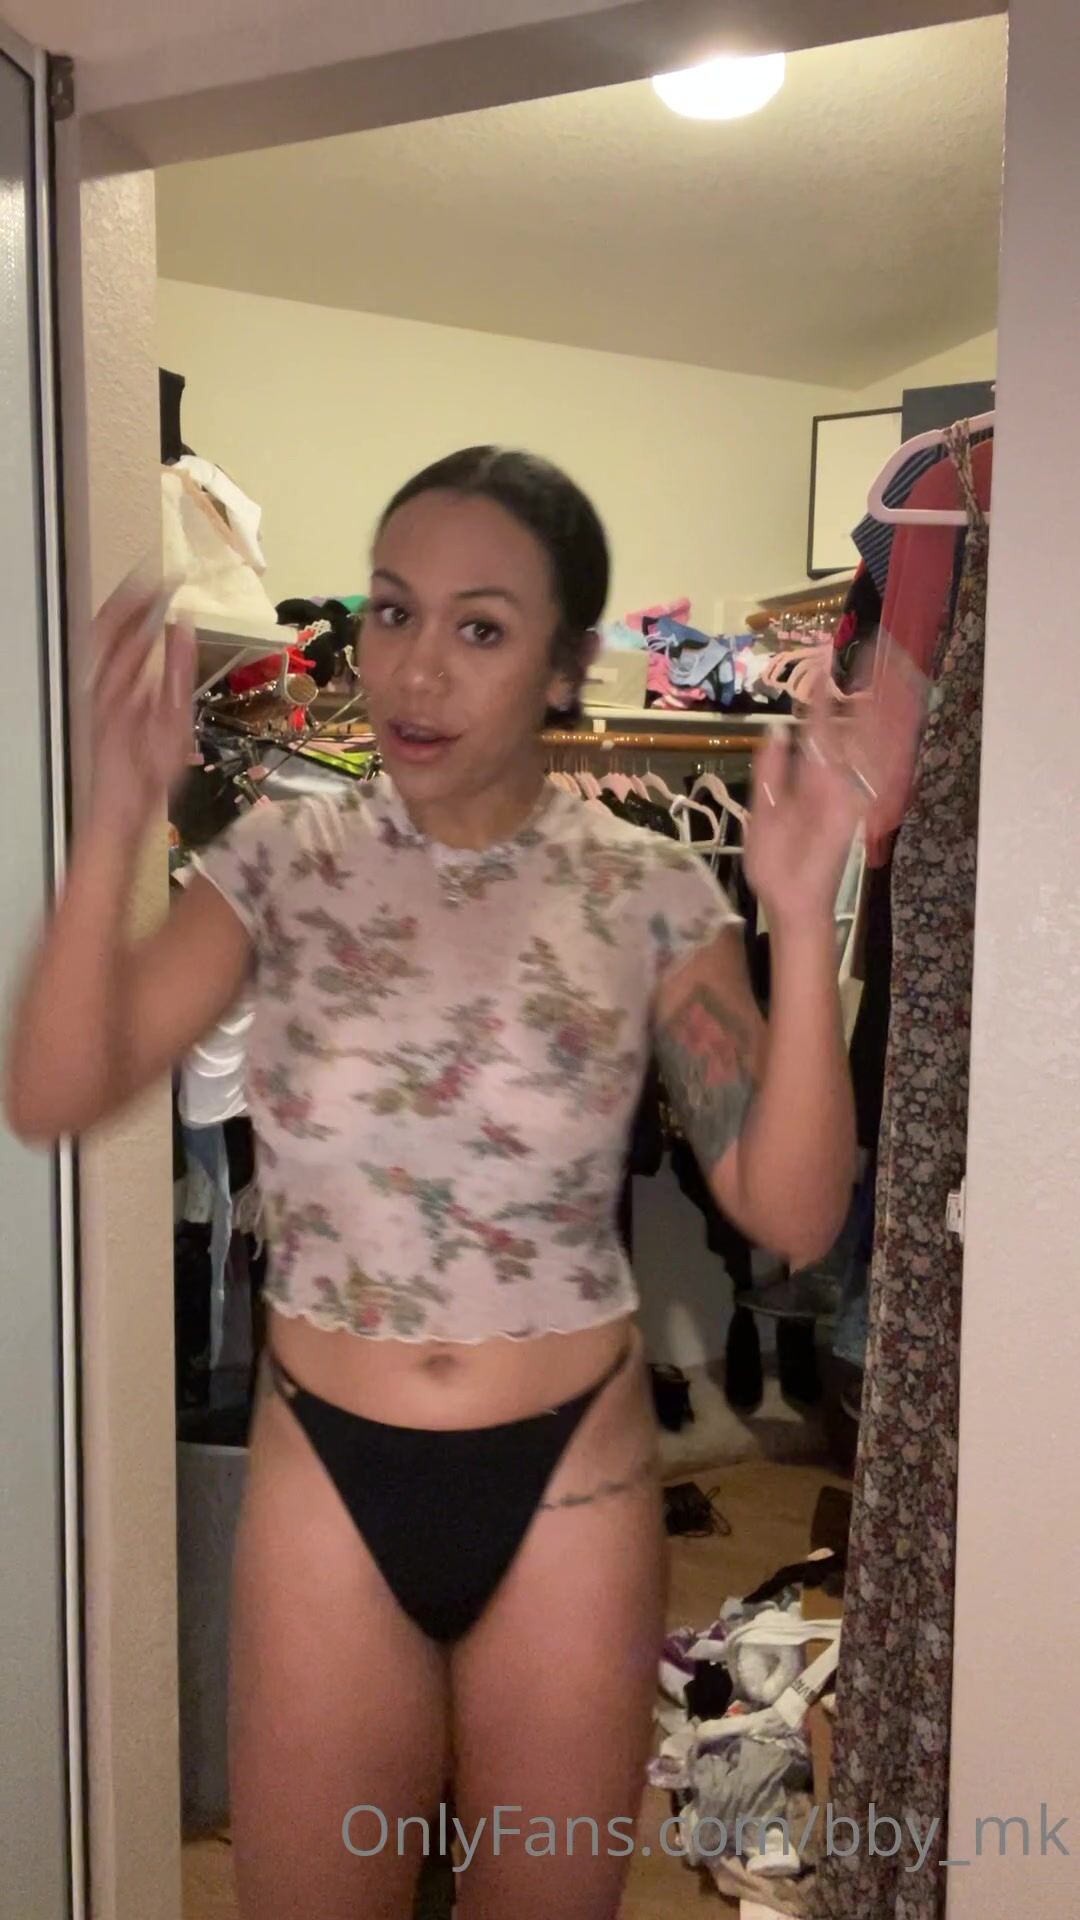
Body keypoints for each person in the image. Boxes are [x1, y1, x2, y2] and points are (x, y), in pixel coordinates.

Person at [5, 447, 863, 1920]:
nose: (416, 666)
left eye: (481, 626)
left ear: (563, 666)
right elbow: (57, 1089)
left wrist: (796, 898)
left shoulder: (648, 889)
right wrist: (109, 823)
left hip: (572, 1486)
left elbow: (788, 1212)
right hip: (325, 1480)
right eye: (395, 610)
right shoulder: (277, 861)